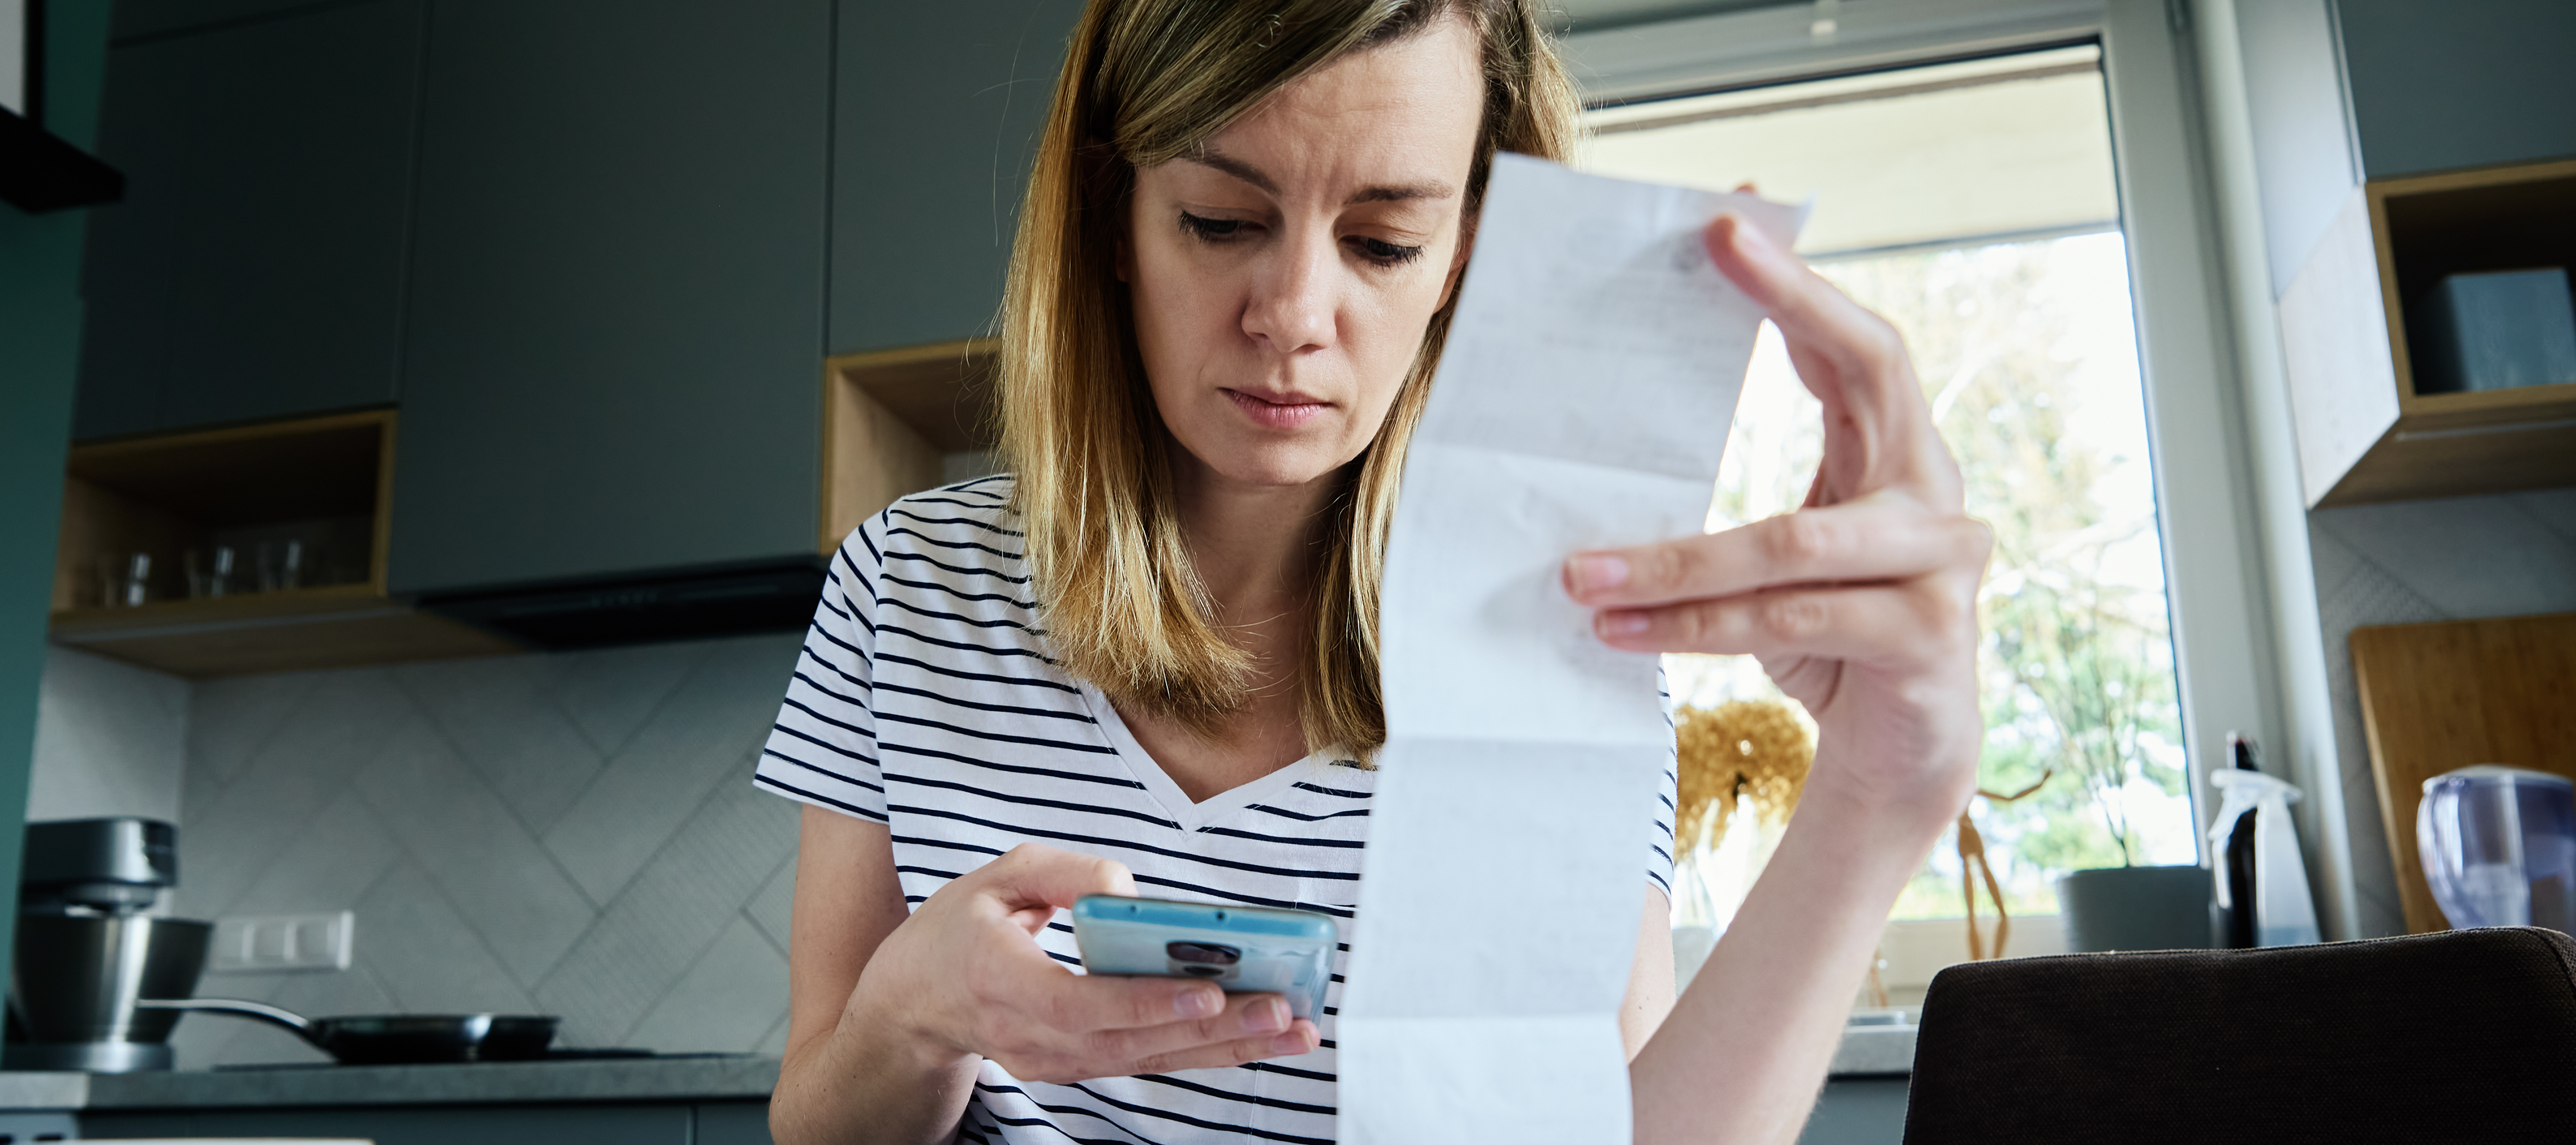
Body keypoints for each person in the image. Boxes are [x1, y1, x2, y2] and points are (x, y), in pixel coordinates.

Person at [757, 1, 1989, 1141]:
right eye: (1222, 221)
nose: (1294, 311)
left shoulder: (1554, 640)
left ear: (1465, 254)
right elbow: (817, 1118)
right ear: (1111, 218)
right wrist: (910, 1017)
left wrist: (1877, 800)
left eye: (1385, 241)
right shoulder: (904, 586)